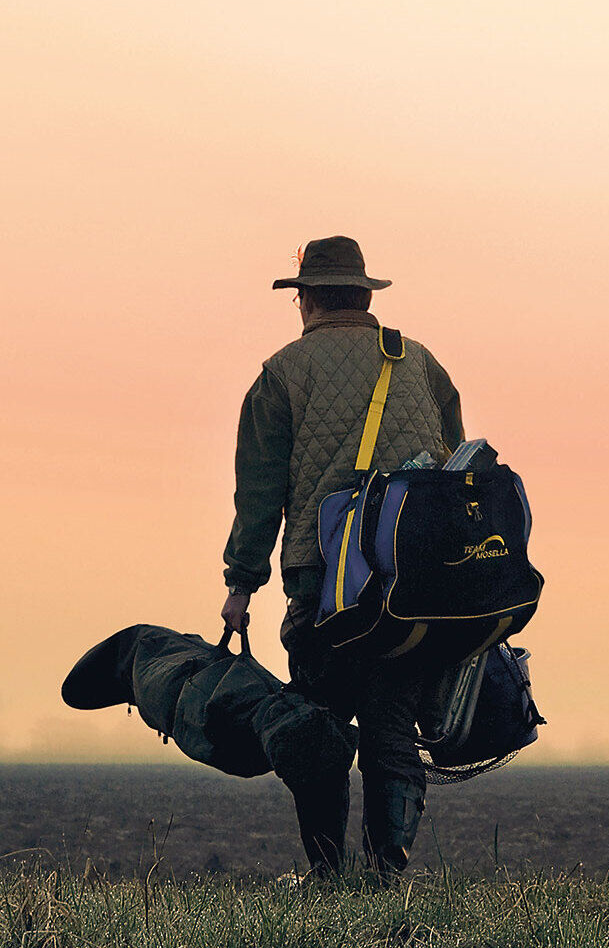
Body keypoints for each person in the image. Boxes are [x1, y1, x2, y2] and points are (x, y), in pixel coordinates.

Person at [219, 235, 464, 878]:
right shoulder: (421, 363)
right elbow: (455, 468)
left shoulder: (281, 373)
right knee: (392, 732)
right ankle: (387, 874)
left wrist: (241, 584)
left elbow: (260, 492)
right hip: (413, 591)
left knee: (318, 732)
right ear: (363, 295)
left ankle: (329, 877)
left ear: (306, 302)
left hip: (324, 587)